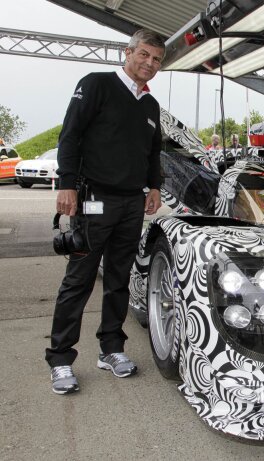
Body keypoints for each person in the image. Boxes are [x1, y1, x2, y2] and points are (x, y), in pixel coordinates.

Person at [46, 29, 165, 394]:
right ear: (127, 53)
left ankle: (111, 348)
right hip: (93, 201)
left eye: (157, 59)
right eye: (143, 54)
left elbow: (153, 152)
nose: (149, 63)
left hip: (131, 203)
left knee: (119, 279)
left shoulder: (150, 105)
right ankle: (61, 359)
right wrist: (67, 183)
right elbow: (70, 135)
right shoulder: (96, 84)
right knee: (79, 280)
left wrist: (154, 186)